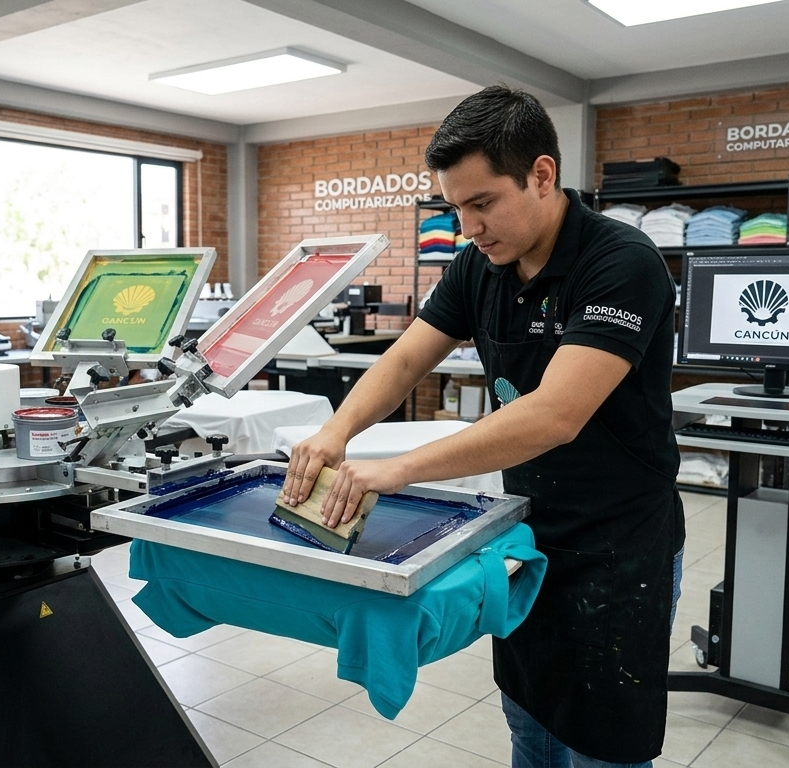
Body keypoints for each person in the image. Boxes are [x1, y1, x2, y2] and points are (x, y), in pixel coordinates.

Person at [281, 85, 685, 768]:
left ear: (541, 175)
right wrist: (335, 431)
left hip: (620, 549)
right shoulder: (479, 264)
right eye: (455, 208)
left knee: (605, 751)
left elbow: (556, 414)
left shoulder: (620, 263)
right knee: (531, 726)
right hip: (525, 534)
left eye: (482, 203)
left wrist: (398, 468)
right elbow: (406, 357)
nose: (468, 226)